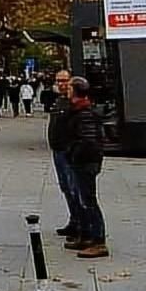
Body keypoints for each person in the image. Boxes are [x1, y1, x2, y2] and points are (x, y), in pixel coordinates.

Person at [65, 76, 108, 258]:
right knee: (83, 199)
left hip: (86, 163)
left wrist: (74, 154)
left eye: (68, 88)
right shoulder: (79, 110)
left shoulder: (85, 113)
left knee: (88, 201)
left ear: (75, 91)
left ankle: (99, 241)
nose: (66, 91)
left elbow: (87, 141)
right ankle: (88, 236)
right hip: (83, 161)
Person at [46, 70, 81, 239]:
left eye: (64, 81)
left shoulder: (73, 103)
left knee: (74, 188)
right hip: (58, 150)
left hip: (69, 152)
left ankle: (81, 224)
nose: (61, 84)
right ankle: (74, 221)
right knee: (66, 188)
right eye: (58, 81)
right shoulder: (59, 101)